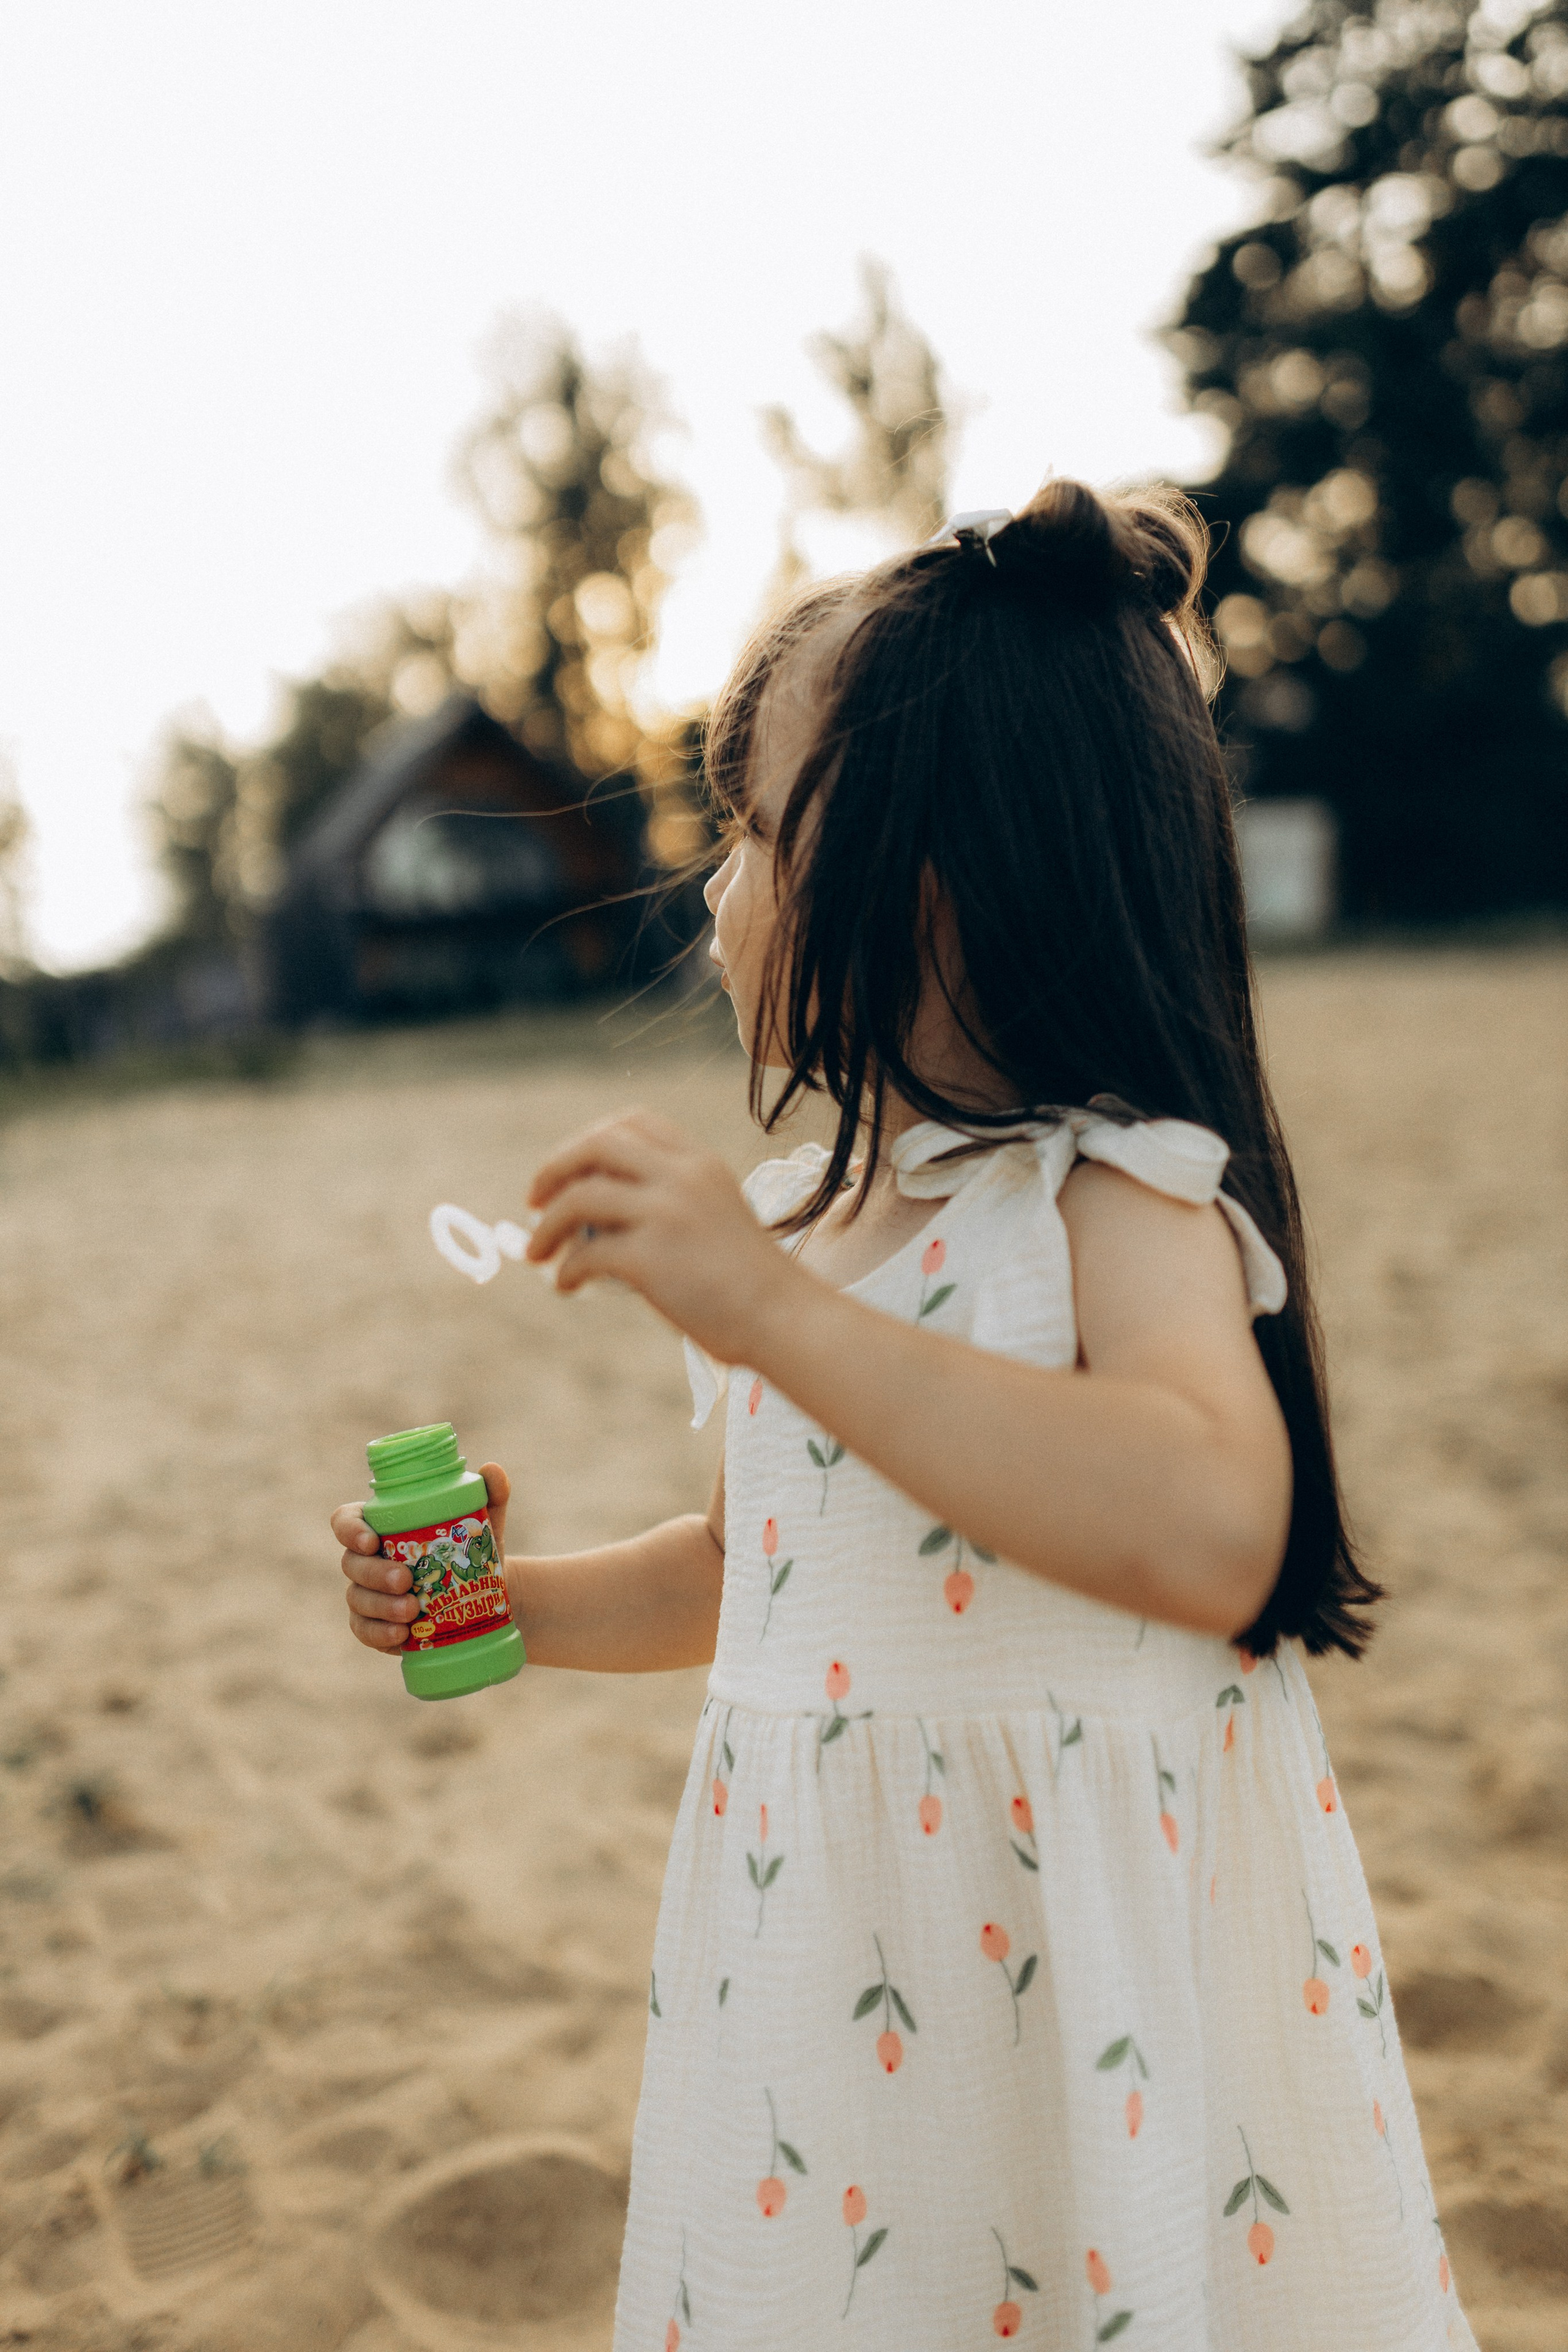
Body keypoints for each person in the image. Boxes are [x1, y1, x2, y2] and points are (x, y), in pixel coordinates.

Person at [334, 481, 1474, 2350]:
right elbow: (754, 1571)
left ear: (939, 870)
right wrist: (505, 1604)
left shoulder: (1117, 1198)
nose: (717, 884)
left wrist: (772, 1314)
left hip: (1071, 1973)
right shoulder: (808, 1226)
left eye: (756, 830)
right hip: (835, 1984)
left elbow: (1206, 1521)